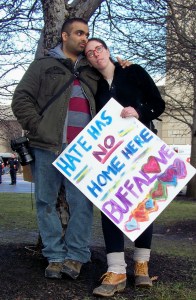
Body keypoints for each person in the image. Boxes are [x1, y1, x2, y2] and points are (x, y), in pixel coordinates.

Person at [11, 18, 129, 280]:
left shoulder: (91, 70)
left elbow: (115, 84)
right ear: (64, 36)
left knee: (82, 204)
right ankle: (54, 255)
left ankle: (76, 256)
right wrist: (39, 127)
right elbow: (21, 98)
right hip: (47, 145)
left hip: (84, 151)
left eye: (87, 33)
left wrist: (124, 67)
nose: (84, 38)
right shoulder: (44, 65)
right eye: (79, 33)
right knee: (45, 201)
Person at [85, 38, 165, 297]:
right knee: (111, 205)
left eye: (99, 49)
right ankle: (116, 269)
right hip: (112, 157)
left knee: (143, 204)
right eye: (89, 53)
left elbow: (158, 104)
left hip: (141, 148)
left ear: (107, 51)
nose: (96, 54)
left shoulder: (133, 71)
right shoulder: (94, 86)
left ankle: (141, 265)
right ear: (88, 60)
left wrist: (139, 111)